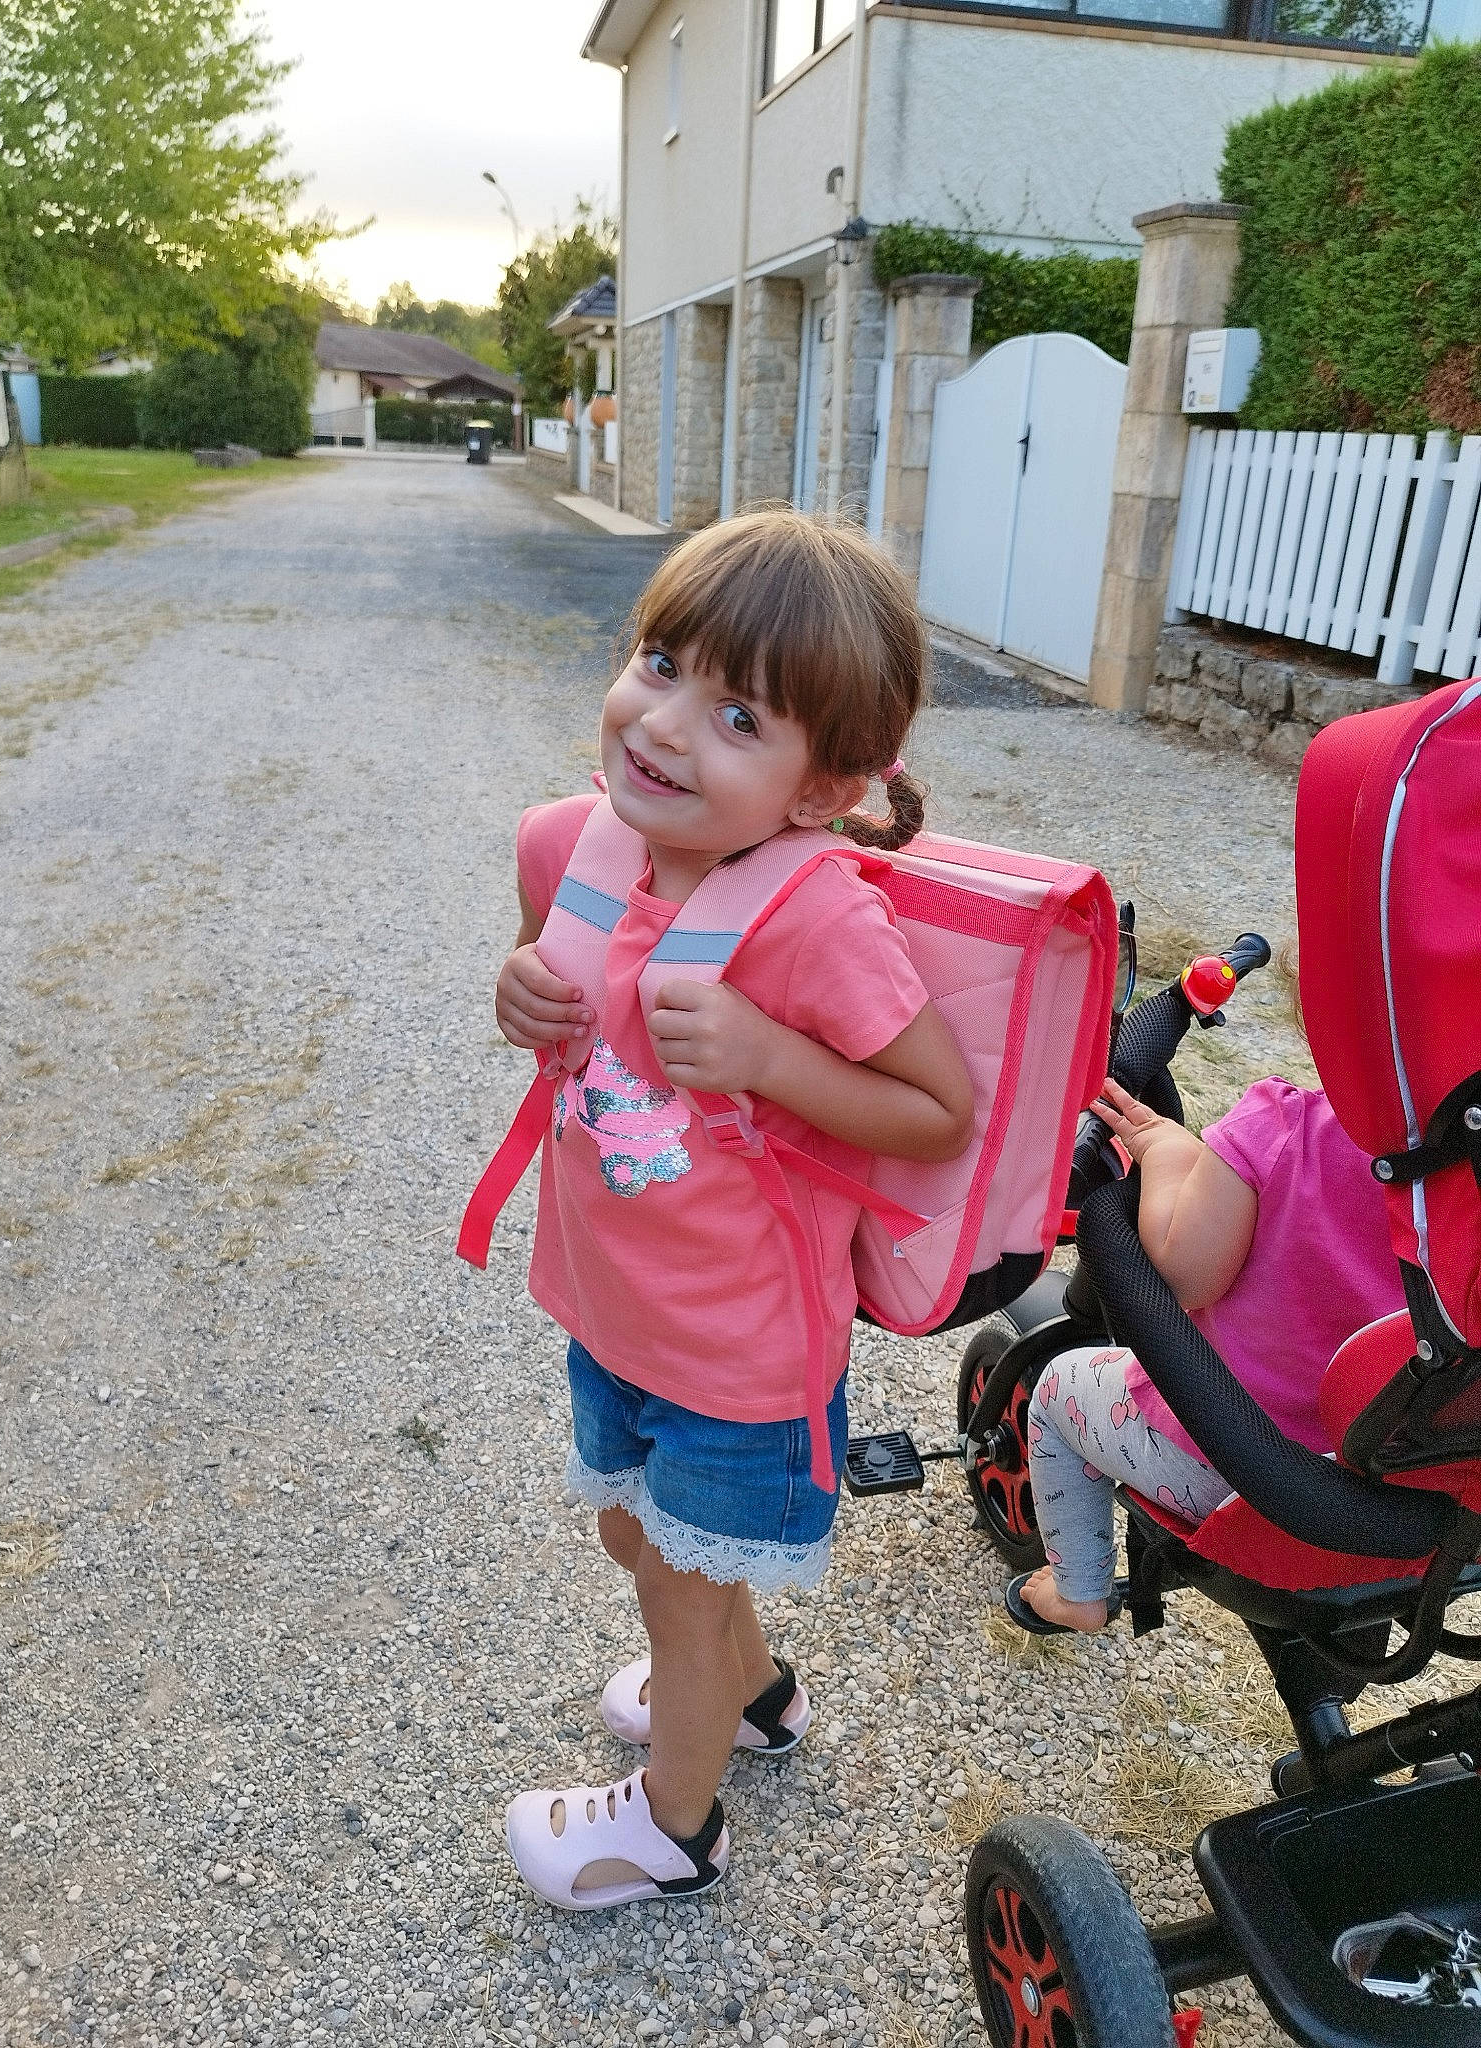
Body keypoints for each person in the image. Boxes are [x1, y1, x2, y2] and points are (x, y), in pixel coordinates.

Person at [488, 510, 975, 1909]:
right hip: (622, 1310)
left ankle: (673, 1832)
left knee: (676, 1594)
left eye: (740, 714)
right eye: (662, 662)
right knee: (638, 1539)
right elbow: (557, 989)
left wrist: (772, 1058)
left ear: (821, 790)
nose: (667, 724)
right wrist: (520, 989)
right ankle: (754, 1700)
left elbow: (937, 1111)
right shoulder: (594, 845)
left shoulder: (813, 920)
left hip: (743, 1357)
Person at [1010, 1066, 1405, 1635]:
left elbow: (1185, 1274)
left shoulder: (1286, 1125)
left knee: (1057, 1390)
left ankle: (1077, 1590)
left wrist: (1170, 1154)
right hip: (1400, 1495)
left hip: (1240, 1474)